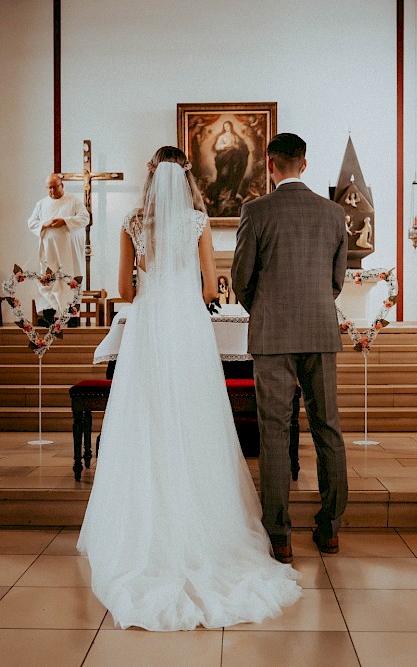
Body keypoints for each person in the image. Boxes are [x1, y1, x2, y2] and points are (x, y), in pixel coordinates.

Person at [77, 146, 301, 631]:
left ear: (152, 177)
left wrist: (152, 285)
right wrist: (185, 291)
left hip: (149, 327)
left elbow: (124, 291)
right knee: (195, 415)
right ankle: (205, 520)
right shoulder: (198, 222)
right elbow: (209, 286)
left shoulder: (133, 224)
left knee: (147, 415)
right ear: (187, 179)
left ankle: (144, 523)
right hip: (187, 329)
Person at [232, 132, 348, 563]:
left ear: (270, 164)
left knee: (275, 432)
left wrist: (265, 308)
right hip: (319, 330)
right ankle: (330, 529)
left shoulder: (256, 210)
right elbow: (336, 280)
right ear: (305, 163)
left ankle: (280, 536)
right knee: (327, 428)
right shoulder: (333, 212)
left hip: (273, 334)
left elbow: (242, 277)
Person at [27, 174, 89, 327]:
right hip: (48, 251)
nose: (52, 191)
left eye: (55, 187)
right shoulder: (41, 204)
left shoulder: (73, 201)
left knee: (69, 281)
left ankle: (72, 316)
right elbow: (31, 222)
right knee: (48, 280)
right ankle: (48, 314)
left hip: (68, 251)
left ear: (62, 186)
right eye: (49, 188)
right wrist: (45, 224)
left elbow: (84, 218)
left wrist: (65, 221)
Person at [205, 120, 250, 216]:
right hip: (225, 158)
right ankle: (221, 195)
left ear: (231, 127)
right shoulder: (222, 137)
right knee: (223, 175)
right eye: (225, 126)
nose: (227, 128)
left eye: (228, 126)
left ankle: (230, 195)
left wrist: (236, 146)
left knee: (232, 175)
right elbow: (217, 147)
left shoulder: (235, 137)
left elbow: (240, 147)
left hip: (233, 160)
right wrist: (226, 145)